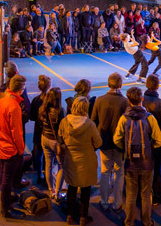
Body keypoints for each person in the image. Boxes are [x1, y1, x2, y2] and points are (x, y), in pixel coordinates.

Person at [114, 87, 161, 226]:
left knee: (130, 194)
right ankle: (147, 221)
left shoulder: (124, 119)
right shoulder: (150, 118)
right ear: (141, 99)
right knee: (146, 194)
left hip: (130, 163)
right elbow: (159, 140)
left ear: (128, 101)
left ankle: (129, 221)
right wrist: (149, 147)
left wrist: (125, 148)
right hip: (147, 162)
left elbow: (116, 139)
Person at [58, 96, 102, 226]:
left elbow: (60, 139)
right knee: (85, 189)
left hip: (71, 159)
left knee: (72, 187)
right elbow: (98, 142)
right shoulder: (90, 125)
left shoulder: (65, 122)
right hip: (86, 160)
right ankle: (83, 216)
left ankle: (70, 215)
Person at [91, 73, 128, 211]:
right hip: (119, 144)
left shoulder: (99, 100)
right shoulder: (125, 102)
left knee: (105, 172)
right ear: (120, 85)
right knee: (119, 173)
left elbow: (93, 120)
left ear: (108, 84)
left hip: (104, 143)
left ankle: (104, 200)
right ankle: (117, 202)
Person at [0, 74, 28, 220]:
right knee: (7, 178)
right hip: (10, 148)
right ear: (20, 89)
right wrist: (20, 150)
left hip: (0, 144)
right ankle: (6, 209)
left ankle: (5, 199)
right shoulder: (14, 107)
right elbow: (17, 133)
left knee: (3, 175)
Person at [142, 75, 161, 205]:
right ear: (158, 86)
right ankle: (156, 195)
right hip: (156, 142)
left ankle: (141, 195)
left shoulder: (140, 101)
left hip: (141, 141)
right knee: (157, 169)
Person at [40, 87, 66, 198]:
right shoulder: (60, 111)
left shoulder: (42, 109)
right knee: (62, 166)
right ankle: (58, 192)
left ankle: (51, 190)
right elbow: (63, 128)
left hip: (44, 137)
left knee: (48, 164)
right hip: (55, 141)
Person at [29, 75, 51, 186]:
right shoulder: (52, 101)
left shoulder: (36, 100)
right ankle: (48, 175)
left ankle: (39, 174)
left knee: (38, 154)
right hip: (49, 131)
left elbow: (31, 116)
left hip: (38, 130)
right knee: (49, 156)